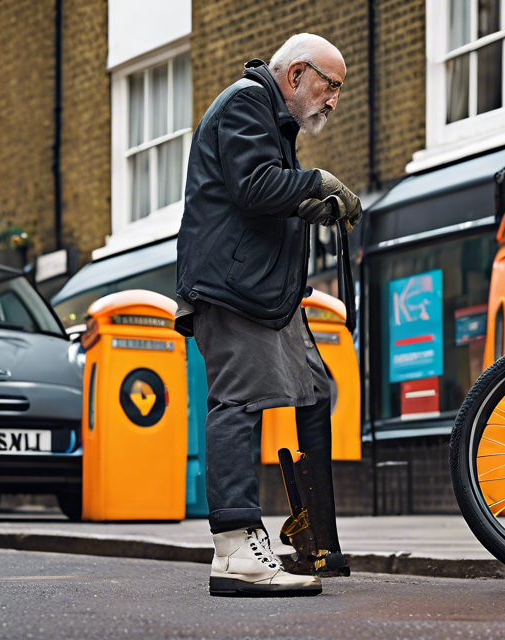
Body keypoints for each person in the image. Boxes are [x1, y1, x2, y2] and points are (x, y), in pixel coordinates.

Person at [175, 34, 361, 597]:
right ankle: (234, 549)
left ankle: (313, 541)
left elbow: (267, 194)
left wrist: (308, 198)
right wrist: (318, 185)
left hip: (267, 295)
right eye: (330, 87)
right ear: (298, 74)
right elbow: (254, 187)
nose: (332, 101)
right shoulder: (245, 103)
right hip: (232, 291)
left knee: (313, 391)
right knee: (237, 401)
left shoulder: (273, 121)